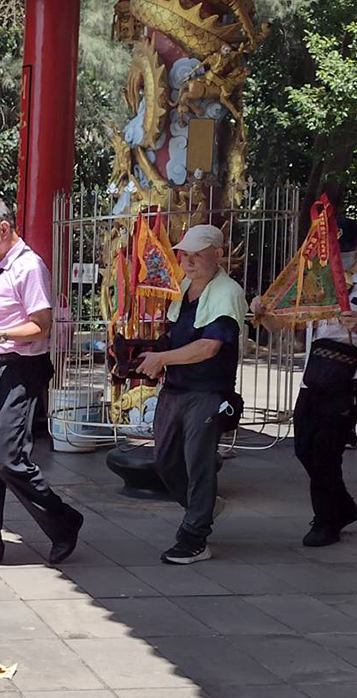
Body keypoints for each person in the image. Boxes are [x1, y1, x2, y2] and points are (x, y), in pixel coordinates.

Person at [0, 198, 84, 566]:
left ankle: (62, 520)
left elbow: (41, 324)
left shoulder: (28, 266)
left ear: (3, 229)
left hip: (16, 370)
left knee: (7, 458)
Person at [254, 216, 357, 547]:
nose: (338, 255)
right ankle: (343, 507)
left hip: (350, 379)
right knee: (303, 446)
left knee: (326, 453)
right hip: (314, 375)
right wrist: (262, 312)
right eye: (333, 248)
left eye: (344, 249)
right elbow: (281, 324)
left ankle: (326, 520)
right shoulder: (316, 281)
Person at [135, 224, 246, 564]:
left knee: (198, 464)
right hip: (176, 388)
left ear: (218, 254)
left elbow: (209, 347)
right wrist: (147, 354)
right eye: (186, 254)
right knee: (165, 459)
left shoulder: (227, 291)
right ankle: (203, 507)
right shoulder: (183, 287)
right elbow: (175, 336)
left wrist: (162, 359)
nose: (190, 260)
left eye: (199, 254)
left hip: (206, 391)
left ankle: (195, 536)